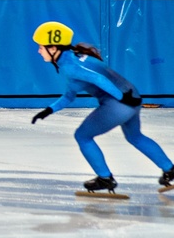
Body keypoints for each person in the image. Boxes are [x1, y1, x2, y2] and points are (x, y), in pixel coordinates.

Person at [30, 21, 174, 193]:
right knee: (135, 136)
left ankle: (105, 178)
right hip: (133, 96)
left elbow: (98, 79)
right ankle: (170, 169)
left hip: (119, 103)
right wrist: (49, 110)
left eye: (41, 47)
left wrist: (122, 98)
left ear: (53, 48)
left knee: (82, 136)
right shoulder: (76, 56)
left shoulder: (70, 66)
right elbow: (69, 95)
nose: (38, 51)